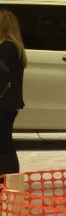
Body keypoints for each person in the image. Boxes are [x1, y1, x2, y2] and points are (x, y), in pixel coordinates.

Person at [0, 10, 23, 178]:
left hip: (4, 103)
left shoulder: (7, 47)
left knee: (4, 145)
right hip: (8, 102)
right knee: (4, 143)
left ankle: (8, 182)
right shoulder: (14, 46)